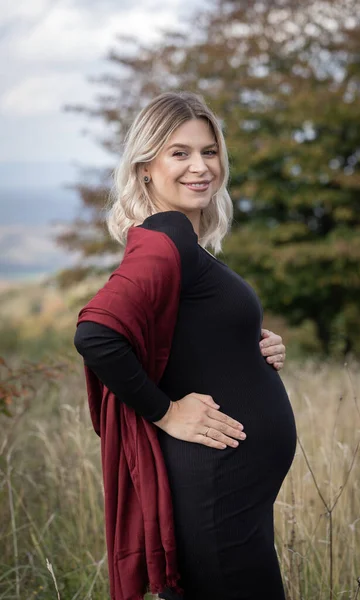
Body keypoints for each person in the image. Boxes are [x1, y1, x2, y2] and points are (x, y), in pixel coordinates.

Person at [74, 91, 296, 600]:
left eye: (209, 151)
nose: (200, 167)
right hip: (215, 494)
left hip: (231, 499)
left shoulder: (186, 246)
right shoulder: (166, 235)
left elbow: (183, 336)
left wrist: (252, 345)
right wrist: (166, 412)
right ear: (146, 167)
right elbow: (96, 334)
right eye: (180, 153)